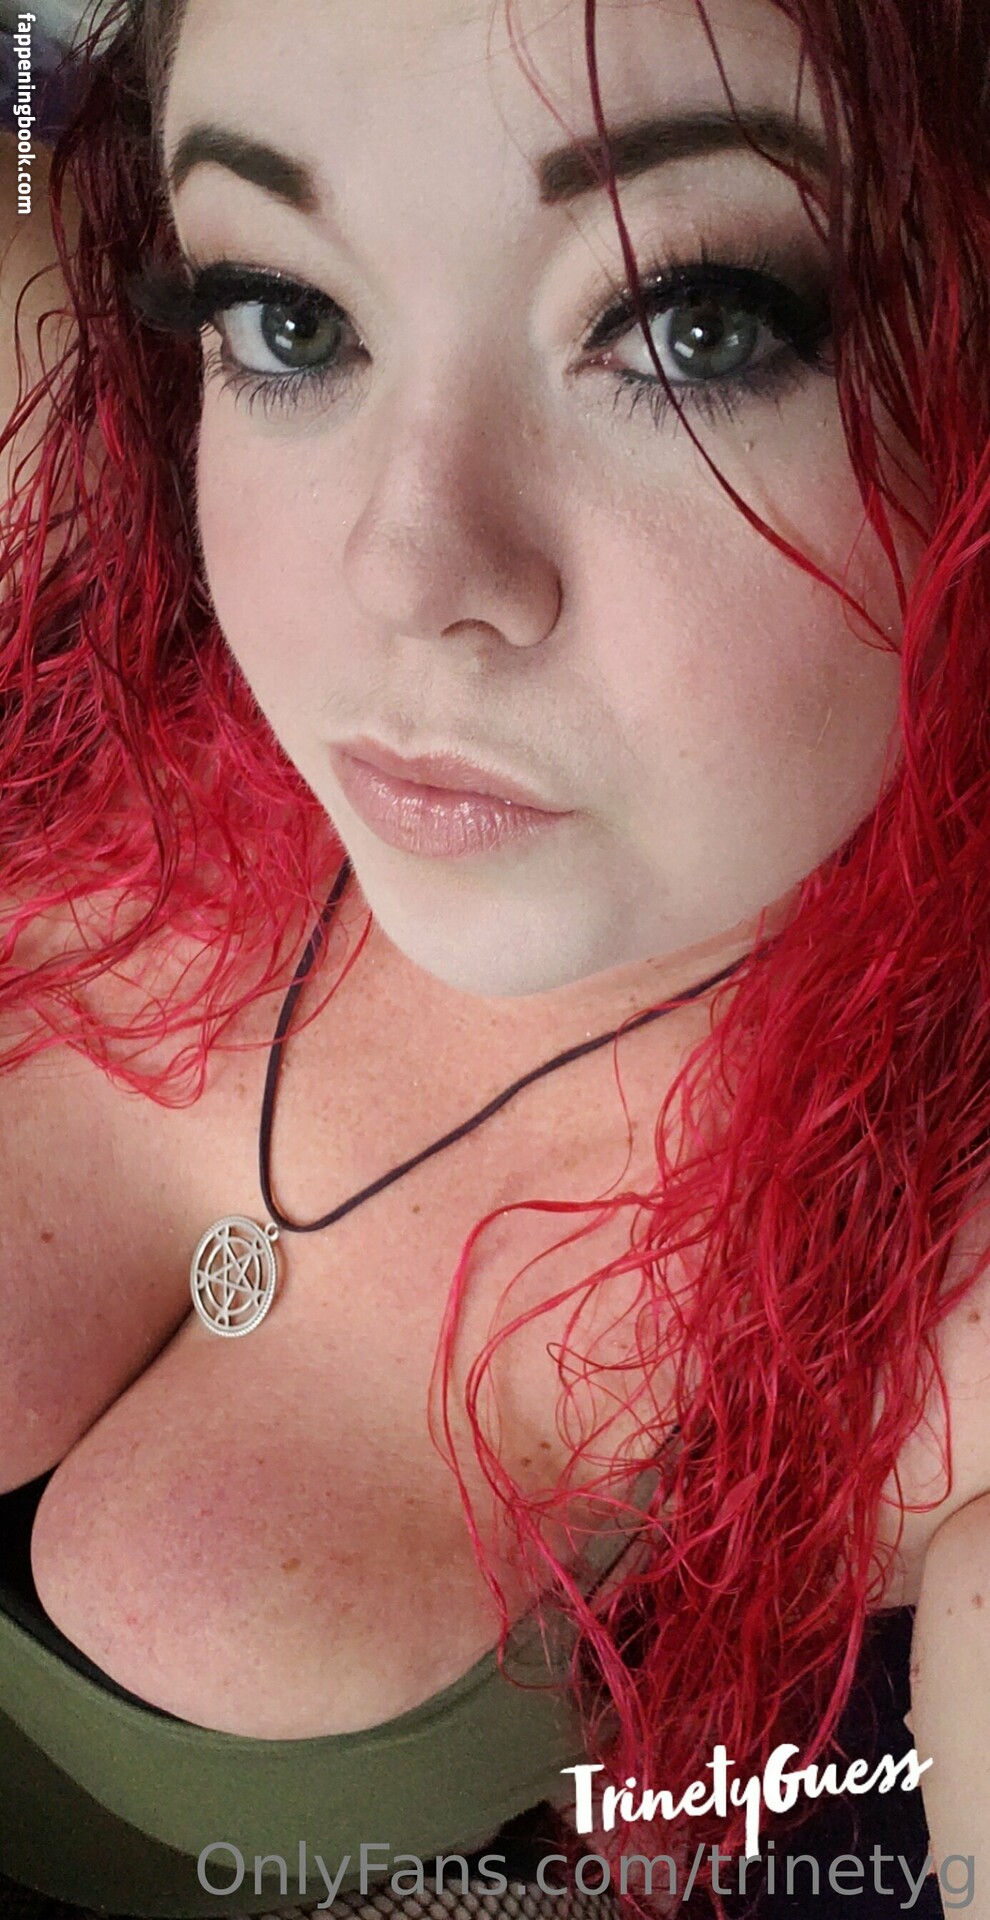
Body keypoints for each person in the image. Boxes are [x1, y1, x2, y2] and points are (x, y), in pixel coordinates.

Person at [0, 0, 987, 1915]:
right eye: (290, 317)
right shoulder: (86, 539)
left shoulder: (935, 1316)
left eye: (695, 328)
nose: (405, 569)